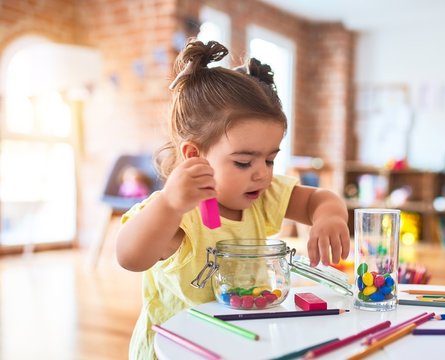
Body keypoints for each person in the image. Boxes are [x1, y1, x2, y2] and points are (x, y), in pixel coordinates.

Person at [115, 39, 350, 359]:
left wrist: (330, 216)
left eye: (269, 160)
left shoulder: (262, 196)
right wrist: (169, 204)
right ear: (194, 155)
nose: (262, 174)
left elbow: (317, 200)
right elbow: (131, 256)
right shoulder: (176, 212)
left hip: (239, 343)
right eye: (244, 162)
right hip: (176, 351)